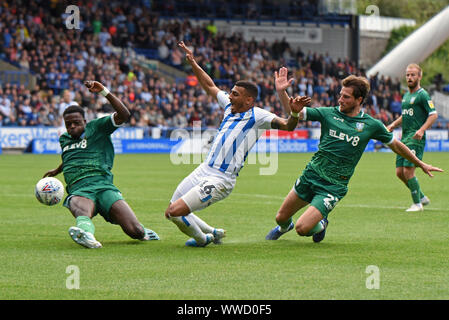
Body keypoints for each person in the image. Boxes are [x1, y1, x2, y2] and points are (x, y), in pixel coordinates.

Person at [265, 70, 443, 243]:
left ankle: (321, 223)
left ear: (359, 100)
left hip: (333, 185)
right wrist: (282, 91)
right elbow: (293, 110)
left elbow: (396, 145)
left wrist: (420, 163)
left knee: (303, 229)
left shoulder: (371, 125)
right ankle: (283, 228)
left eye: (346, 97)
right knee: (280, 218)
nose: (340, 99)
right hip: (310, 175)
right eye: (340, 95)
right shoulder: (328, 113)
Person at [164, 42, 311, 247]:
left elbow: (288, 126)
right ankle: (212, 232)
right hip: (204, 169)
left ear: (249, 100)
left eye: (235, 94)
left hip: (221, 179)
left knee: (176, 212)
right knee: (170, 212)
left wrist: (294, 111)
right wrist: (193, 63)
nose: (229, 96)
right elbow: (210, 85)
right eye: (231, 92)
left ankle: (203, 239)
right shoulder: (229, 107)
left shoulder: (258, 116)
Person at [44, 80, 160, 248]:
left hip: (103, 185)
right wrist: (57, 169)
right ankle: (87, 236)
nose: (72, 127)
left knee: (135, 231)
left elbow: (124, 115)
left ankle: (142, 231)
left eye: (76, 122)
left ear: (85, 121)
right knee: (82, 211)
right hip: (79, 188)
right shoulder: (64, 139)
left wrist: (104, 92)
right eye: (68, 124)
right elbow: (71, 156)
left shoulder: (98, 127)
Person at [386, 64, 438, 212]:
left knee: (408, 171)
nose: (409, 77)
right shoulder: (406, 95)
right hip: (405, 137)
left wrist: (422, 130)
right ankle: (421, 196)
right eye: (408, 75)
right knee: (399, 172)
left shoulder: (423, 95)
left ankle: (417, 204)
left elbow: (433, 115)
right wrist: (393, 125)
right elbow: (406, 114)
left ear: (419, 76)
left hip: (415, 138)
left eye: (413, 75)